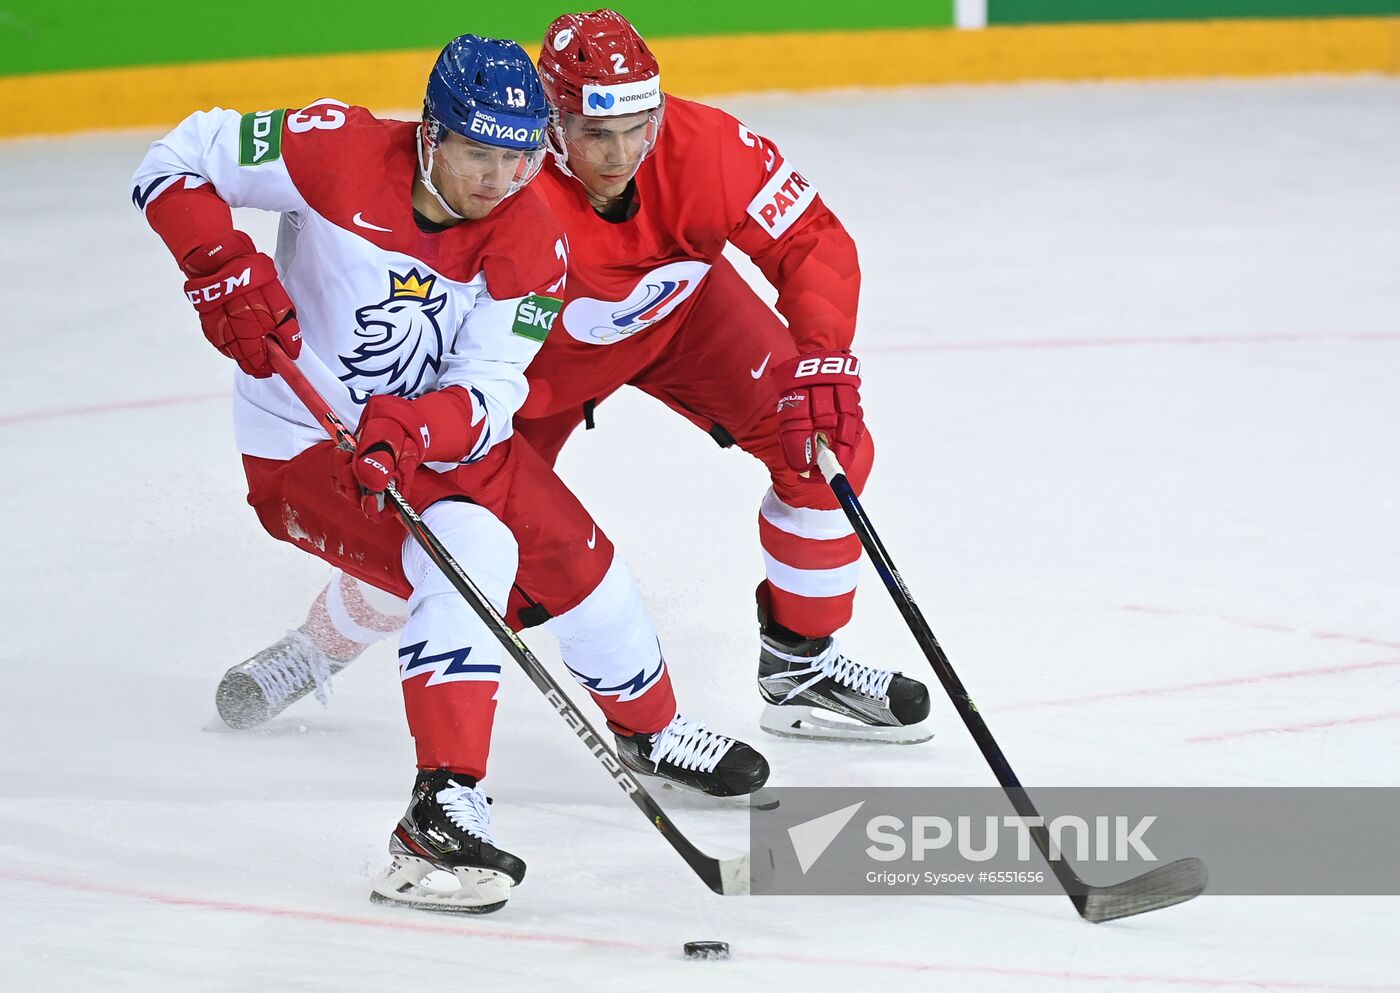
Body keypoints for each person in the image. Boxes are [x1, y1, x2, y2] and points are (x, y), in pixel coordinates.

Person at [133, 34, 766, 916]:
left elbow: (492, 388)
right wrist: (216, 262)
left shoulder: (534, 238)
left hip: (433, 441)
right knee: (470, 550)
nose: (498, 180)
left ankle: (651, 732)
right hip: (303, 447)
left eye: (517, 157)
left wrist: (414, 423)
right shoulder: (333, 150)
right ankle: (436, 816)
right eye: (478, 153)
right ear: (431, 134)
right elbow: (176, 159)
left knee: (585, 565)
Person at [219, 8, 933, 746]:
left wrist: (823, 353)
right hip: (537, 369)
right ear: (551, 123)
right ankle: (320, 643)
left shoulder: (708, 146)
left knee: (827, 445)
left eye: (639, 126)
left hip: (686, 316)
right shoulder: (501, 191)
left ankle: (801, 665)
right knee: (467, 531)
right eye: (596, 133)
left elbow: (810, 238)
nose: (622, 154)